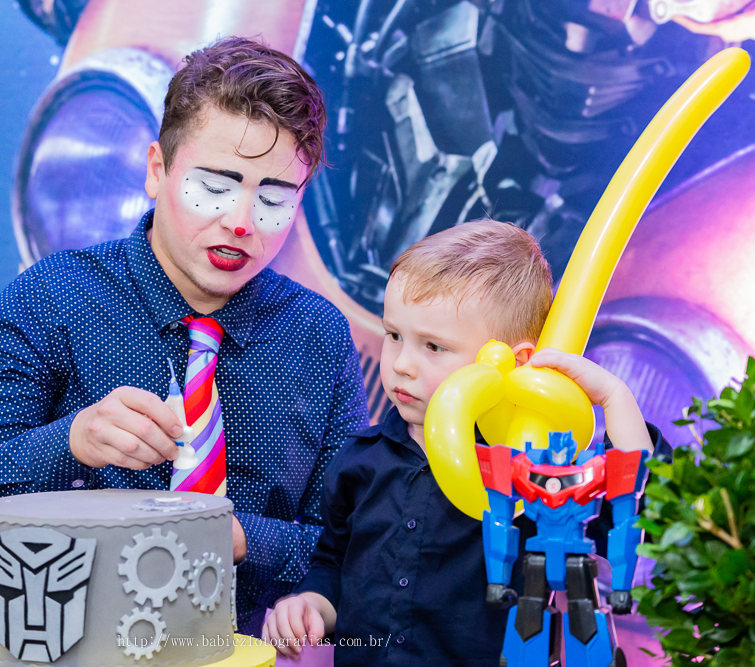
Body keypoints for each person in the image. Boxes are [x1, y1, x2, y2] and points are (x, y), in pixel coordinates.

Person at [0, 36, 369, 637]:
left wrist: (243, 539)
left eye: (275, 198)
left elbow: (357, 549)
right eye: (216, 185)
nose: (241, 220)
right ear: (157, 170)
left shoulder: (319, 337)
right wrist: (69, 445)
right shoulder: (53, 298)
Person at [263, 220, 666, 665]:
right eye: (394, 335)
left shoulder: (529, 477)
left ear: (512, 363)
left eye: (433, 347)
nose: (402, 365)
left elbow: (631, 515)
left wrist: (615, 399)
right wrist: (310, 605)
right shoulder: (358, 460)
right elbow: (333, 565)